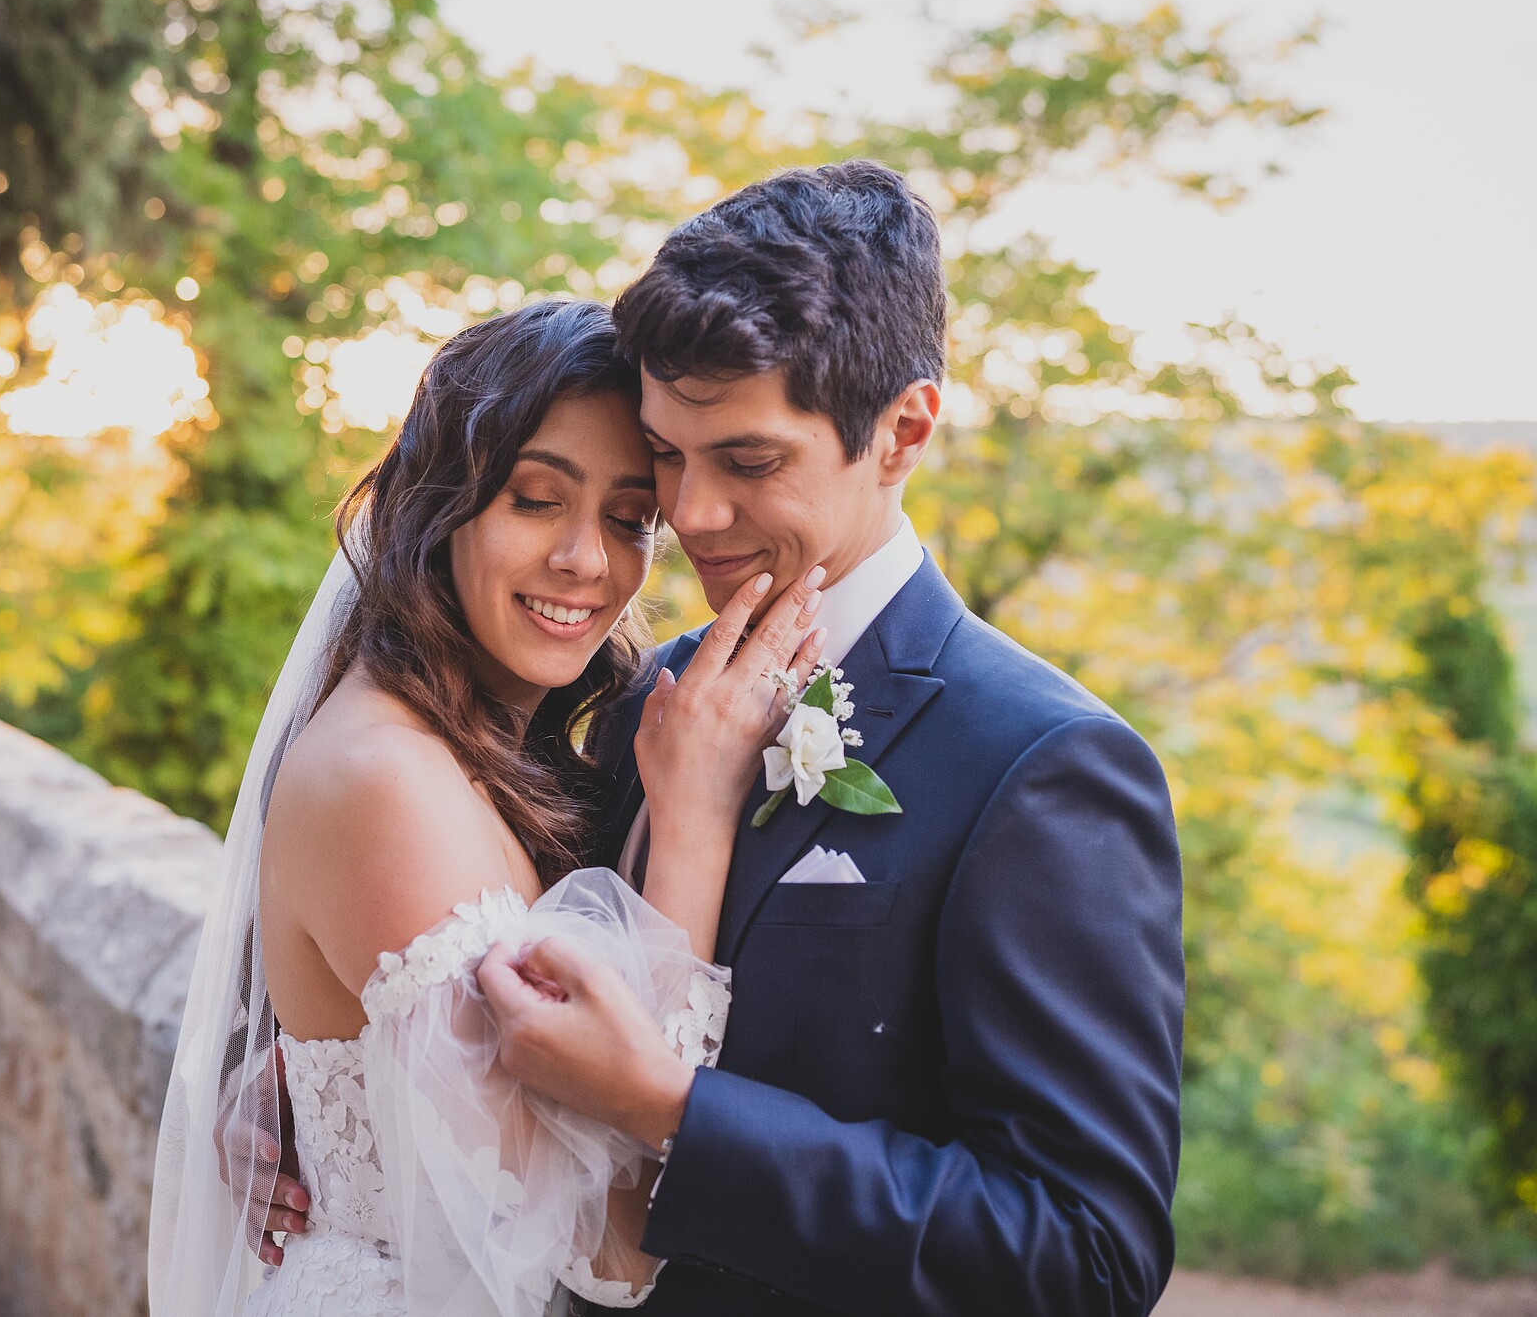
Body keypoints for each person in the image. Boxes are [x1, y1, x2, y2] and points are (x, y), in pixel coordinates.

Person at [234, 161, 1185, 1316]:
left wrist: (677, 1113)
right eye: (669, 462)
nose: (687, 517)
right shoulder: (645, 700)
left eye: (746, 462)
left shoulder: (1038, 766)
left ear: (900, 432)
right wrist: (334, 1090)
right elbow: (485, 972)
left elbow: (1084, 1255)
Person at [146, 299, 826, 1317]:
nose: (585, 562)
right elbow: (604, 1252)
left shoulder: (487, 749)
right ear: (439, 505)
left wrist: (322, 1085)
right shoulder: (386, 778)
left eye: (627, 517)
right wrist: (693, 823)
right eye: (534, 499)